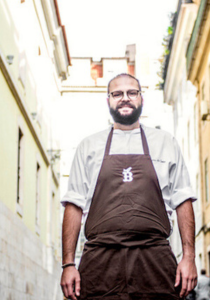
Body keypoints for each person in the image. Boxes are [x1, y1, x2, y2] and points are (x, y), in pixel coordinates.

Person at [60, 73, 198, 300]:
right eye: (117, 94)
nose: (125, 98)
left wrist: (189, 257)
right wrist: (68, 264)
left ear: (141, 98)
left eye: (131, 93)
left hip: (154, 258)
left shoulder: (165, 142)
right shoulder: (89, 146)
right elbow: (73, 205)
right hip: (100, 260)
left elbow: (183, 199)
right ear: (108, 100)